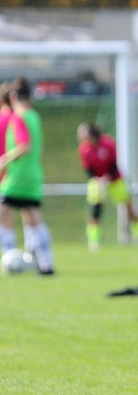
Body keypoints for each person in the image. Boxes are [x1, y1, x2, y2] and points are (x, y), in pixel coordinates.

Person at [0, 77, 54, 275]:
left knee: (3, 215)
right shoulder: (34, 116)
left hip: (17, 177)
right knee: (34, 220)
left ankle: (10, 253)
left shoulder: (18, 117)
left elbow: (24, 145)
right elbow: (39, 148)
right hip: (33, 175)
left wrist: (5, 159)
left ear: (12, 96)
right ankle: (46, 264)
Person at [77, 122, 138, 251]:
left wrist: (107, 178)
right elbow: (88, 168)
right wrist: (98, 180)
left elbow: (114, 164)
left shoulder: (108, 143)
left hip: (115, 180)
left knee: (129, 208)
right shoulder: (84, 148)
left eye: (83, 132)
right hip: (96, 181)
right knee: (95, 211)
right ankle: (94, 241)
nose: (80, 135)